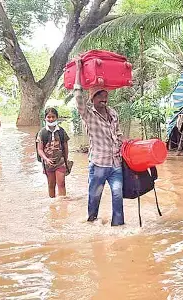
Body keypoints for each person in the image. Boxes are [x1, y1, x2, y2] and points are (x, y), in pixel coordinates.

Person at [73, 59, 126, 226]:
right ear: (93, 98)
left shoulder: (113, 114)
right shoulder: (88, 115)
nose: (104, 99)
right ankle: (91, 221)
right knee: (94, 196)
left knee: (118, 196)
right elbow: (78, 95)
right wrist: (78, 69)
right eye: (100, 96)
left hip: (115, 164)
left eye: (106, 96)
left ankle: (118, 226)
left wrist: (124, 146)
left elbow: (117, 134)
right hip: (98, 165)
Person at [36, 108, 71, 198]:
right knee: (51, 185)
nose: (51, 119)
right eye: (49, 117)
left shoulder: (61, 131)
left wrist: (66, 161)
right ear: (45, 118)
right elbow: (39, 150)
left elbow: (66, 147)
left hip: (60, 162)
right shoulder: (42, 132)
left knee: (61, 183)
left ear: (57, 118)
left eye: (53, 117)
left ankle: (63, 205)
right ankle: (53, 205)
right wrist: (46, 159)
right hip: (48, 163)